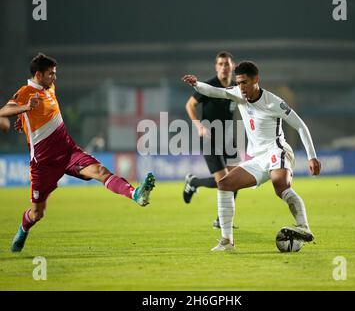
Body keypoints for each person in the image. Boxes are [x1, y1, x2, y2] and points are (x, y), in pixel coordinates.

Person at [0, 53, 156, 253]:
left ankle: (136, 195)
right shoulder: (25, 92)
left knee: (100, 171)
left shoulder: (49, 88)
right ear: (38, 74)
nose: (54, 78)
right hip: (44, 163)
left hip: (68, 151)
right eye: (51, 74)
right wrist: (24, 109)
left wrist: (24, 119)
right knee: (37, 214)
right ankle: (23, 229)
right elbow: (3, 111)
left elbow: (41, 115)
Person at [183, 61, 321, 251]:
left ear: (256, 79)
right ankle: (227, 241)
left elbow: (300, 126)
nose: (241, 87)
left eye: (245, 82)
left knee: (279, 184)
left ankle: (303, 227)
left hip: (277, 150)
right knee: (224, 184)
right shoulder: (238, 94)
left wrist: (311, 156)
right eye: (238, 83)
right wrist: (197, 85)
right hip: (258, 158)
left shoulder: (274, 102)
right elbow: (215, 91)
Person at [183, 51, 241, 228]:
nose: (224, 67)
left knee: (237, 179)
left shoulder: (235, 88)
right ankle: (193, 182)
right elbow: (190, 105)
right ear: (216, 67)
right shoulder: (208, 86)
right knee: (223, 181)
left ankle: (219, 220)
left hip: (229, 139)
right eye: (221, 64)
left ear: (233, 66)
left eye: (227, 64)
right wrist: (199, 126)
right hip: (210, 138)